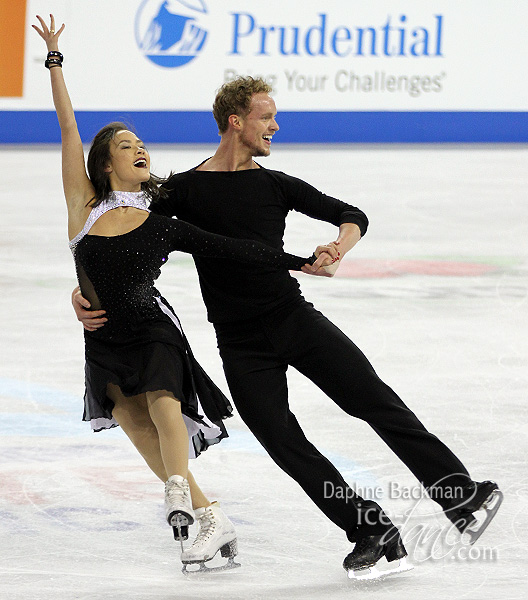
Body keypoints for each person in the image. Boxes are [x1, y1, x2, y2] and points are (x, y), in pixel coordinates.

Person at [73, 75, 502, 579]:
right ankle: (369, 529)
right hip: (239, 342)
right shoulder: (184, 191)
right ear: (236, 122)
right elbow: (120, 244)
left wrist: (339, 246)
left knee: (373, 400)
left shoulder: (276, 184)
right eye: (266, 117)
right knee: (281, 440)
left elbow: (351, 214)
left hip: (294, 319)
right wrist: (85, 294)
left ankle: (459, 494)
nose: (275, 126)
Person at [34, 16, 334, 572]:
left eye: (143, 144)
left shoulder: (161, 209)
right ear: (105, 164)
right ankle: (209, 514)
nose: (139, 150)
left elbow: (231, 247)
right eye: (127, 146)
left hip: (152, 325)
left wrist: (297, 262)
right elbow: (68, 128)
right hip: (103, 338)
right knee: (134, 424)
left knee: (164, 402)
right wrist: (55, 59)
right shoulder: (82, 207)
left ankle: (176, 489)